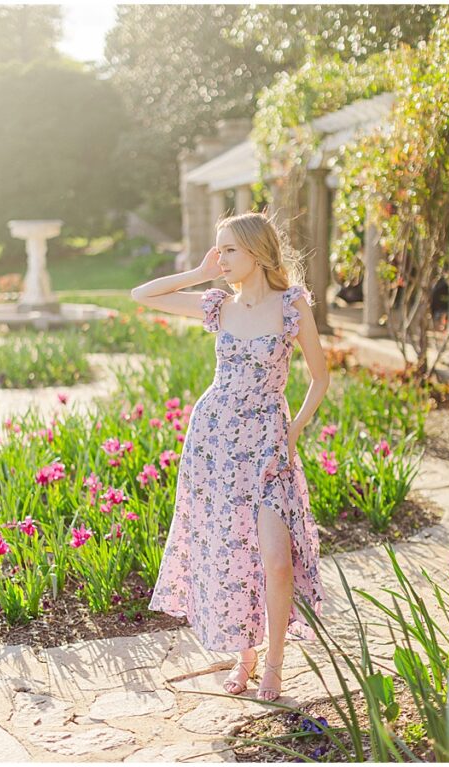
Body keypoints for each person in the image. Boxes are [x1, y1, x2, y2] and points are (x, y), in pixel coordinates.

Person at [130, 211, 327, 702]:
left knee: (276, 561)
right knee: (229, 553)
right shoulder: (218, 304)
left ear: (258, 253)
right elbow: (142, 296)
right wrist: (198, 274)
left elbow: (320, 377)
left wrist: (294, 430)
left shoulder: (292, 305)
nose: (221, 259)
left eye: (229, 250)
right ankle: (246, 656)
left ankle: (275, 665)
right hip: (215, 442)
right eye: (217, 249)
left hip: (267, 443)